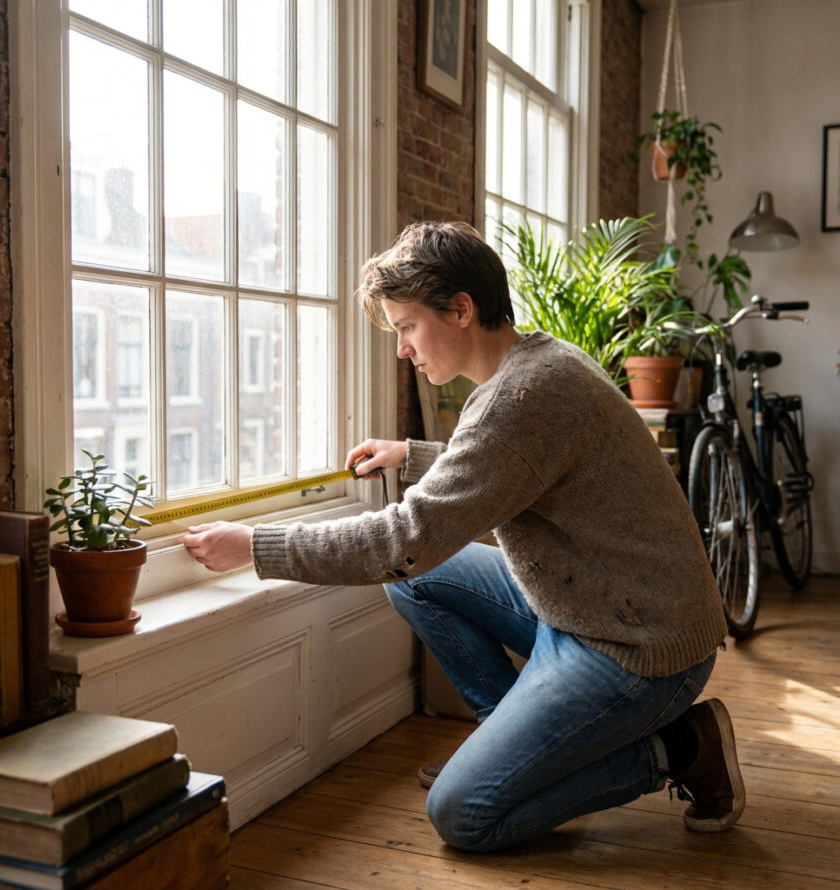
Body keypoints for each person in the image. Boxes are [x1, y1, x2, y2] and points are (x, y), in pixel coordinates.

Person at [183, 220, 744, 852]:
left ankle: (681, 748)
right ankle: (511, 748)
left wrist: (254, 545)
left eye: (407, 327)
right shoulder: (538, 359)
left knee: (464, 815)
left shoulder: (519, 398)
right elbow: (517, 466)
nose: (402, 350)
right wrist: (413, 454)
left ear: (460, 310)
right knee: (418, 585)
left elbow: (403, 542)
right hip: (590, 604)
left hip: (639, 649)